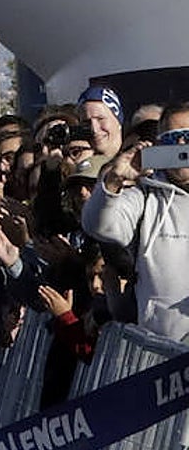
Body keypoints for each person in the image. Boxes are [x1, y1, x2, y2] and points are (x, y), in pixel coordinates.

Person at [82, 105, 189, 340]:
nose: (181, 145)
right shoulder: (145, 194)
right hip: (161, 351)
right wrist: (114, 180)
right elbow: (96, 225)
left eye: (187, 136)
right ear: (159, 145)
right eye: (171, 138)